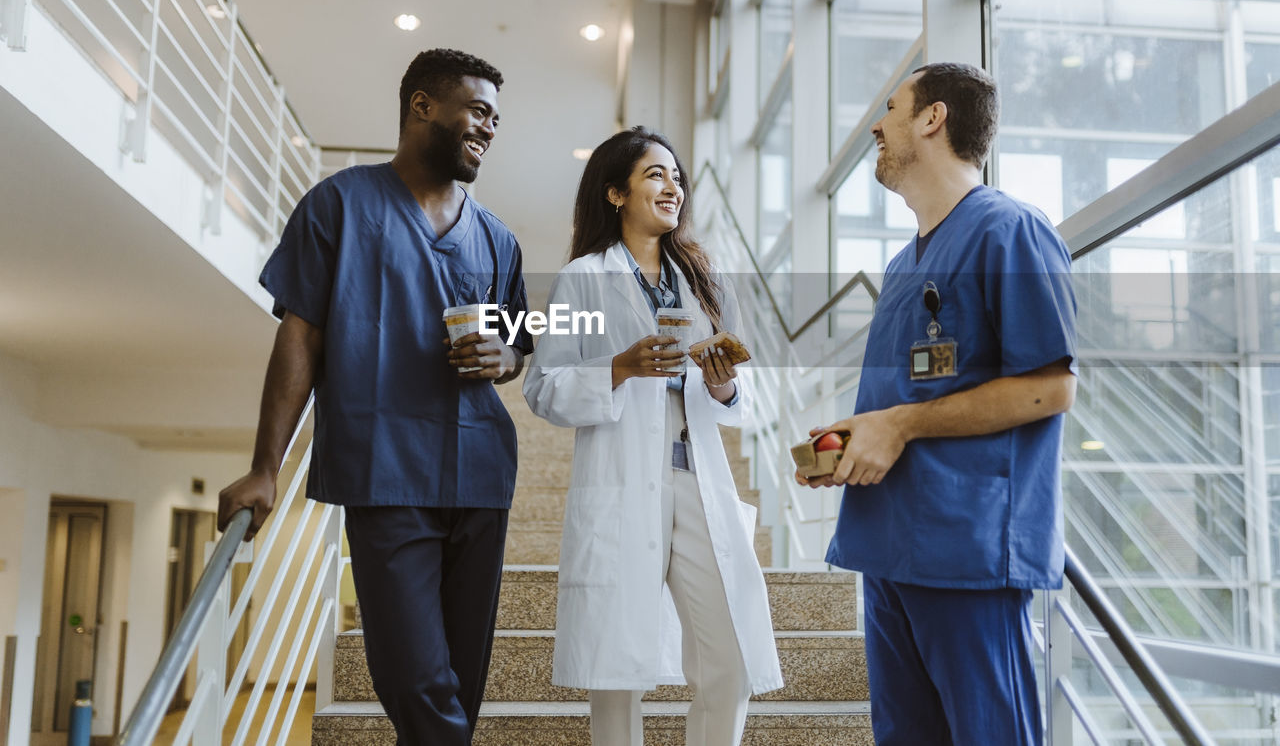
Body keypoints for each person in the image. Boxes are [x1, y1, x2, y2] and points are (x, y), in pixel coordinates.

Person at [216, 48, 531, 745]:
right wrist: (266, 465)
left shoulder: (498, 239)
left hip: (480, 475)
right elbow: (300, 337)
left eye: (496, 119)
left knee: (458, 685)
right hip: (383, 470)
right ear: (422, 105)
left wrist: (503, 356)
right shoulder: (340, 203)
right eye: (478, 110)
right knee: (414, 677)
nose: (489, 128)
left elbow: (517, 349)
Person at [804, 63, 1077, 745]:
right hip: (888, 549)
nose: (875, 123)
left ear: (932, 119)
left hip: (968, 553)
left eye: (890, 107)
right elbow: (916, 394)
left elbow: (1051, 385)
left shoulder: (1009, 230)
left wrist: (898, 424)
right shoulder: (902, 267)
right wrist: (850, 440)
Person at [523, 127, 782, 745]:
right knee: (616, 676)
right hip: (621, 478)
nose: (674, 187)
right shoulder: (584, 277)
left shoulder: (704, 279)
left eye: (677, 176)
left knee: (732, 661)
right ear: (616, 193)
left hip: (696, 477)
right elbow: (543, 387)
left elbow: (733, 397)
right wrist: (620, 367)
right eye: (655, 175)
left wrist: (722, 385)